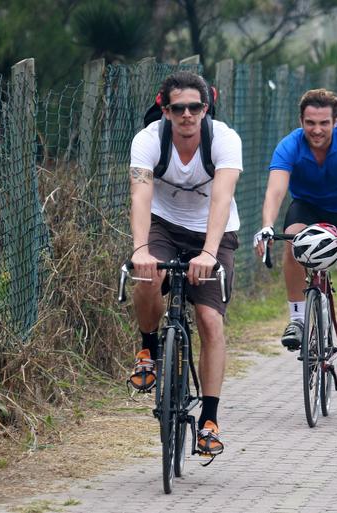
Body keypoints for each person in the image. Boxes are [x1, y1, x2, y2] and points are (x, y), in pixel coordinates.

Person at [127, 70, 243, 456]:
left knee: (210, 320)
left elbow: (222, 198)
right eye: (179, 108)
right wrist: (141, 249)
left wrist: (209, 253)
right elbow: (141, 196)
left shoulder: (224, 139)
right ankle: (148, 350)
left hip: (214, 230)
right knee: (146, 275)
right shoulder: (148, 140)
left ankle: (209, 420)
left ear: (206, 108)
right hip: (163, 224)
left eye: (196, 107)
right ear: (165, 109)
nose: (188, 115)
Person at [253, 89, 337, 393]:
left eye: (324, 123)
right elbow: (276, 190)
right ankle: (298, 318)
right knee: (293, 244)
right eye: (310, 123)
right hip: (307, 207)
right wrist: (267, 226)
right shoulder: (289, 145)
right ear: (300, 121)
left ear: (336, 121)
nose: (316, 130)